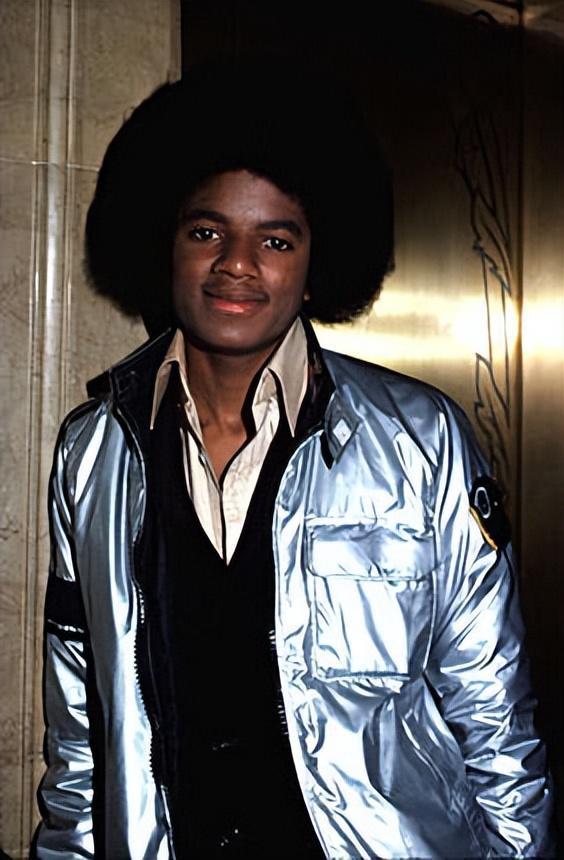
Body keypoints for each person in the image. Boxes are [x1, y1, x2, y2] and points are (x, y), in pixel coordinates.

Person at [34, 59, 553, 858]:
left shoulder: (422, 440)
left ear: (317, 266)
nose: (236, 263)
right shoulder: (93, 451)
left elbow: (494, 712)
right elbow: (80, 728)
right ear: (164, 244)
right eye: (207, 231)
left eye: (275, 239)